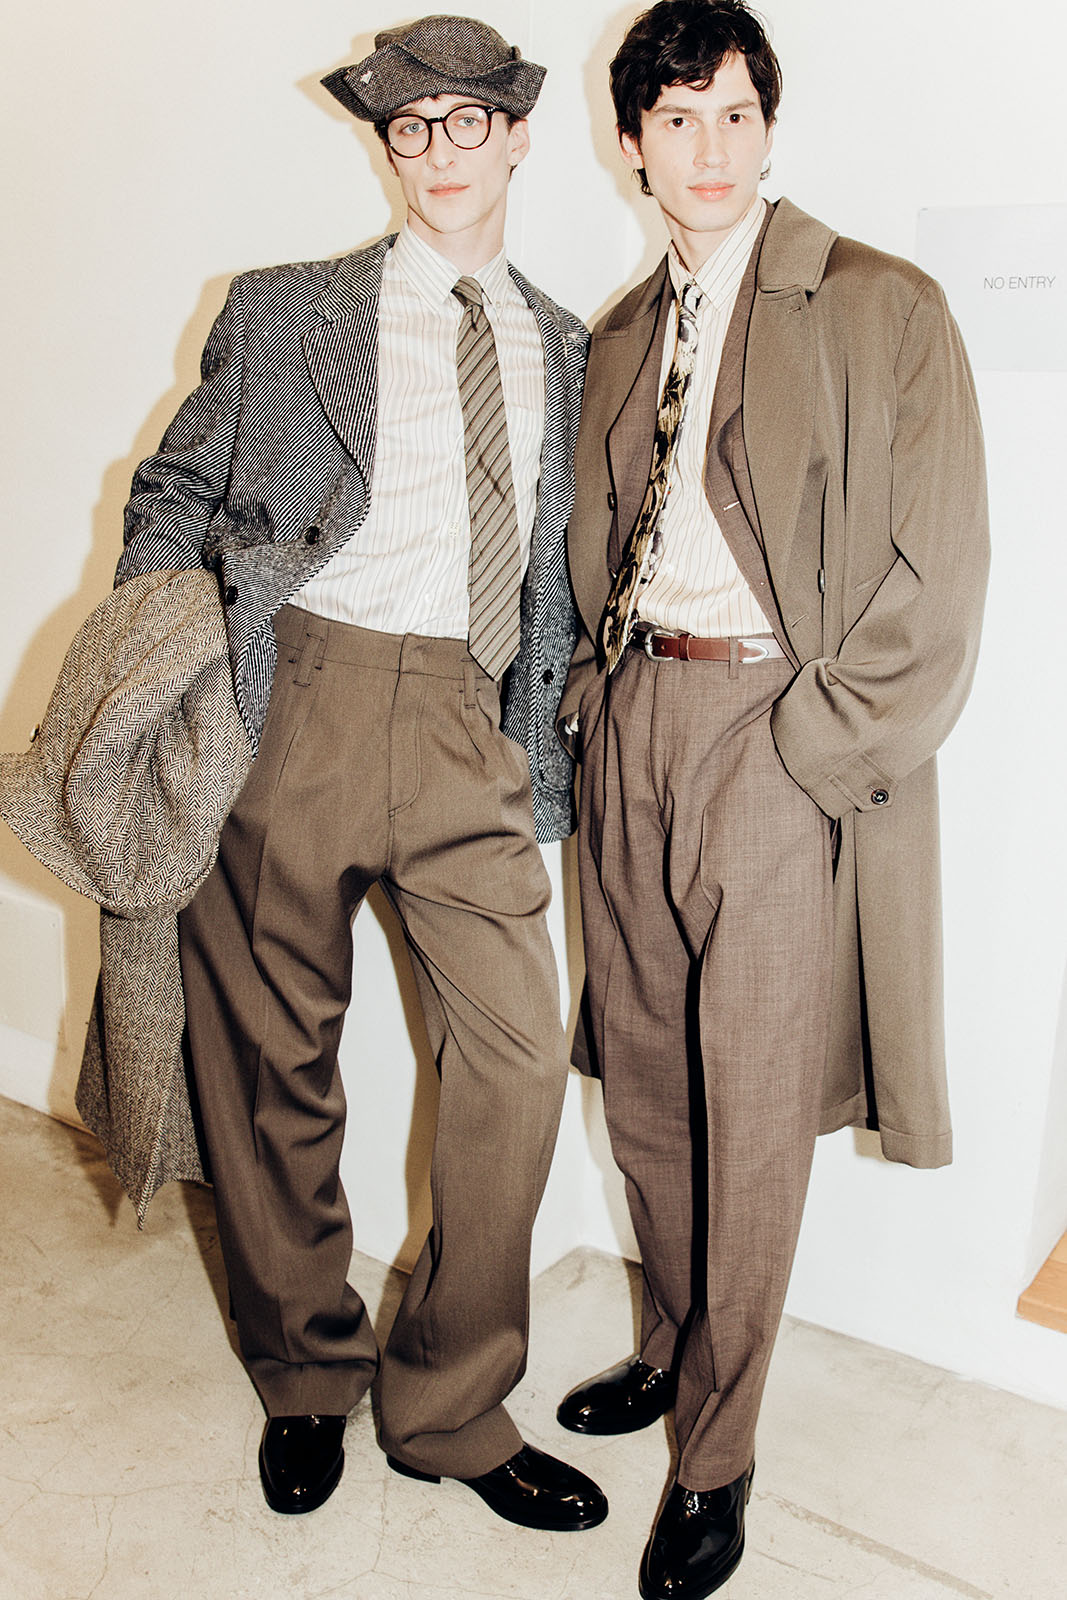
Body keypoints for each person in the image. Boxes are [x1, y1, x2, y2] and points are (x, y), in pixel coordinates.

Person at [108, 14, 607, 1533]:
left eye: (468, 123)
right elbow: (173, 488)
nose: (439, 152)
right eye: (410, 128)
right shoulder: (283, 308)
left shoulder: (570, 346)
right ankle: (306, 1372)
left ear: (517, 138)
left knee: (518, 1063)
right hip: (298, 700)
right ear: (386, 149)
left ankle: (447, 1405)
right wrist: (181, 658)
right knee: (273, 1063)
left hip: (469, 722)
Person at [555, 2, 988, 1595]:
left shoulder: (881, 303)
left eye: (736, 114)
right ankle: (677, 1344)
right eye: (677, 120)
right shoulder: (620, 332)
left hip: (772, 729)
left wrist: (806, 756)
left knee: (748, 1109)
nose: (710, 149)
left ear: (768, 127)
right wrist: (591, 711)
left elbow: (939, 582)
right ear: (632, 145)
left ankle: (716, 1456)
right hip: (633, 724)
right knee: (647, 1082)